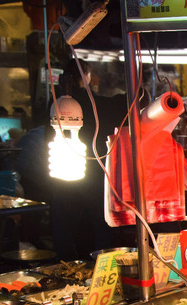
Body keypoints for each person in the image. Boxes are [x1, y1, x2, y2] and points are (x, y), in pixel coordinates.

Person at [48, 58, 132, 260]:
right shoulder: (92, 103)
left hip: (63, 172)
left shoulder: (55, 104)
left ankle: (66, 266)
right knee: (101, 224)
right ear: (86, 77)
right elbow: (121, 107)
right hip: (91, 174)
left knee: (64, 227)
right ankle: (101, 266)